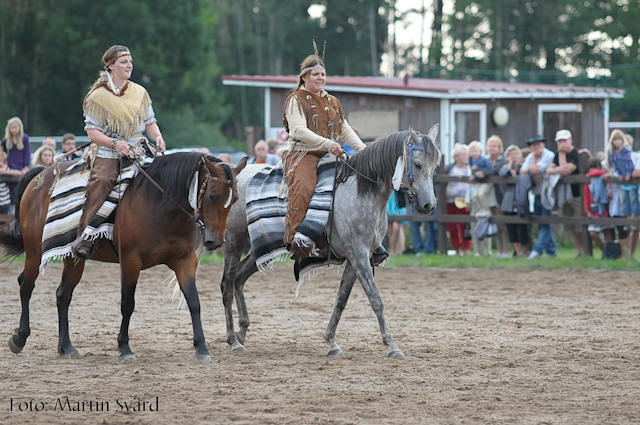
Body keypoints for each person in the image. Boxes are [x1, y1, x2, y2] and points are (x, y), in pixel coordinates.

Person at [70, 45, 166, 259]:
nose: (129, 65)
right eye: (123, 62)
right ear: (111, 66)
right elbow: (92, 133)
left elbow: (150, 123)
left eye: (130, 61)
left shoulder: (140, 92)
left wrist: (157, 137)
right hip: (108, 153)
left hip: (138, 150)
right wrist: (114, 144)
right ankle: (86, 236)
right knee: (103, 181)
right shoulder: (97, 96)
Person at [281, 50, 367, 258]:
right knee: (304, 186)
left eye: (323, 74)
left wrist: (365, 152)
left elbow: (344, 130)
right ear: (304, 77)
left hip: (330, 153)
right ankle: (295, 240)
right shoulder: (295, 99)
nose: (320, 78)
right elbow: (298, 130)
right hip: (303, 153)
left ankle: (361, 241)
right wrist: (329, 144)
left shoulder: (332, 101)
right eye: (315, 74)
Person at [546, 129, 585, 256]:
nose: (562, 143)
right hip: (565, 196)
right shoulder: (557, 155)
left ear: (570, 140)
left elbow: (566, 170)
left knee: (580, 226)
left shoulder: (576, 154)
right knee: (571, 227)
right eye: (559, 141)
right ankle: (579, 251)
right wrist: (557, 167)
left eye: (564, 140)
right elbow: (548, 170)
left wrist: (561, 155)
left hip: (577, 195)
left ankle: (586, 250)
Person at [521, 134, 556, 260]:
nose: (537, 147)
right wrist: (533, 160)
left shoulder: (549, 155)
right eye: (534, 145)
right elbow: (522, 171)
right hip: (536, 193)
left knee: (545, 221)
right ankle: (551, 250)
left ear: (543, 145)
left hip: (547, 193)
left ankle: (538, 250)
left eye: (539, 144)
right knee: (541, 222)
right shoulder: (531, 156)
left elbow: (535, 170)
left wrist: (533, 163)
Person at [500, 145, 530, 257]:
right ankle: (517, 252)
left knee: (523, 228)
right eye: (510, 154)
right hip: (508, 201)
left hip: (521, 199)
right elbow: (502, 174)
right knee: (511, 228)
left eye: (515, 153)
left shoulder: (523, 167)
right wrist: (509, 166)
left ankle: (526, 251)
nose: (513, 156)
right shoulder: (505, 168)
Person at [468, 141, 496, 257]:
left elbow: (489, 171)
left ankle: (487, 252)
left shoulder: (484, 160)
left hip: (487, 198)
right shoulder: (471, 161)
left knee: (486, 224)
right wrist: (474, 176)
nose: (474, 153)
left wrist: (481, 173)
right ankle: (477, 252)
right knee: (476, 225)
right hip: (476, 195)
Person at [445, 143, 472, 256]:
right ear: (456, 156)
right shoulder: (450, 168)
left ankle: (466, 249)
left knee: (464, 225)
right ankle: (457, 249)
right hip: (450, 200)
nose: (465, 156)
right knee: (452, 226)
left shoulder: (470, 168)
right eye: (462, 154)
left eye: (466, 154)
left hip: (464, 200)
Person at [2, 117, 31, 202]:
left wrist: (26, 166)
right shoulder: (6, 140)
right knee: (12, 184)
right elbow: (2, 152)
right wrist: (3, 163)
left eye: (15, 127)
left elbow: (27, 152)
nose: (14, 130)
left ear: (19, 128)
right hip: (11, 163)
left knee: (21, 182)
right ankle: (13, 201)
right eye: (12, 128)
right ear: (9, 128)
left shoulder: (24, 138)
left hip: (21, 163)